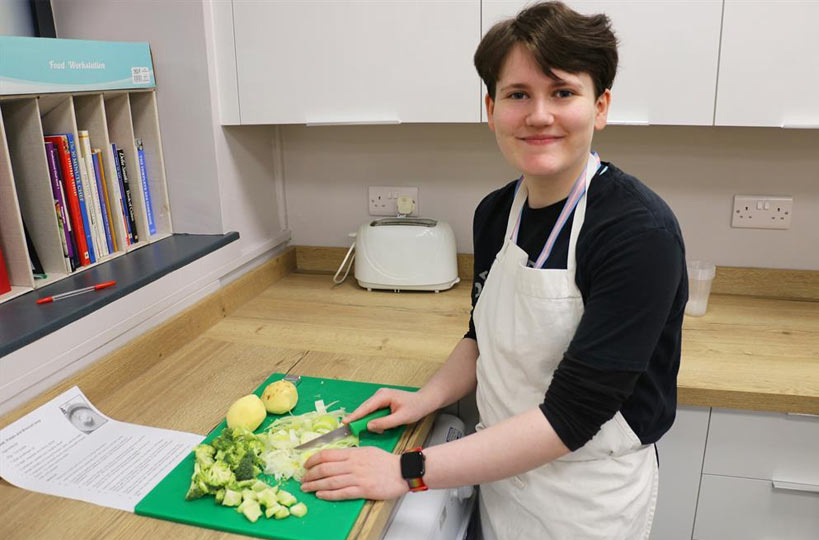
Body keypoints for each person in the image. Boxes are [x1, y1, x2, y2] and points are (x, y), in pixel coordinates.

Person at [301, 2, 688, 538]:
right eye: (518, 95)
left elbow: (571, 418)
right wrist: (427, 396)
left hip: (585, 499)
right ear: (491, 108)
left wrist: (404, 470)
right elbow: (481, 335)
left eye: (563, 92)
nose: (539, 115)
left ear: (600, 107)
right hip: (496, 472)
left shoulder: (637, 232)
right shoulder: (495, 214)